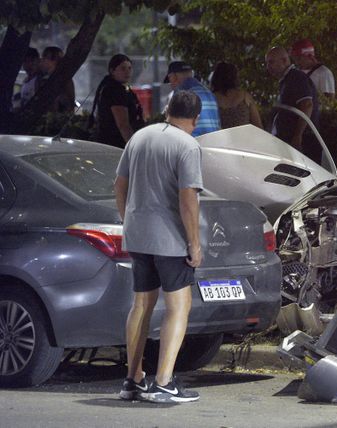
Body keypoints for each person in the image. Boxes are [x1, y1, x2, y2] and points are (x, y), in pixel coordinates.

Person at [114, 90, 203, 404]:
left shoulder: (139, 137)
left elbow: (119, 184)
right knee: (179, 306)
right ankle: (164, 382)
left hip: (138, 235)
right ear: (195, 119)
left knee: (141, 305)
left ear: (167, 109)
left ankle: (133, 379)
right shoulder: (188, 145)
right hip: (170, 239)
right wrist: (194, 243)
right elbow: (188, 199)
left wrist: (129, 220)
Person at [265, 46, 321, 163]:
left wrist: (297, 136)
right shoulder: (287, 80)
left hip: (302, 142)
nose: (268, 67)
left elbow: (307, 105)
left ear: (284, 61)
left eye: (271, 62)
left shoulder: (296, 78)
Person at [92, 54, 145, 148]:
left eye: (129, 68)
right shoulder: (115, 91)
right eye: (123, 68)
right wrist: (135, 148)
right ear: (112, 71)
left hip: (110, 143)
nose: (127, 72)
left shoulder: (118, 89)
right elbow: (123, 124)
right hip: (115, 144)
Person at [164, 61, 220, 136]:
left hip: (194, 142)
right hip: (214, 141)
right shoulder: (209, 94)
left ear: (174, 77)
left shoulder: (181, 95)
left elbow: (174, 128)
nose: (170, 85)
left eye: (169, 79)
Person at [210, 61, 263, 129]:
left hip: (220, 139)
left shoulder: (211, 98)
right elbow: (258, 126)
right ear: (235, 77)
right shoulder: (245, 97)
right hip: (243, 138)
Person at [38, 46, 75, 113]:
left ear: (54, 61)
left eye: (45, 57)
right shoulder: (43, 79)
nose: (42, 60)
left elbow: (68, 103)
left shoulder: (64, 79)